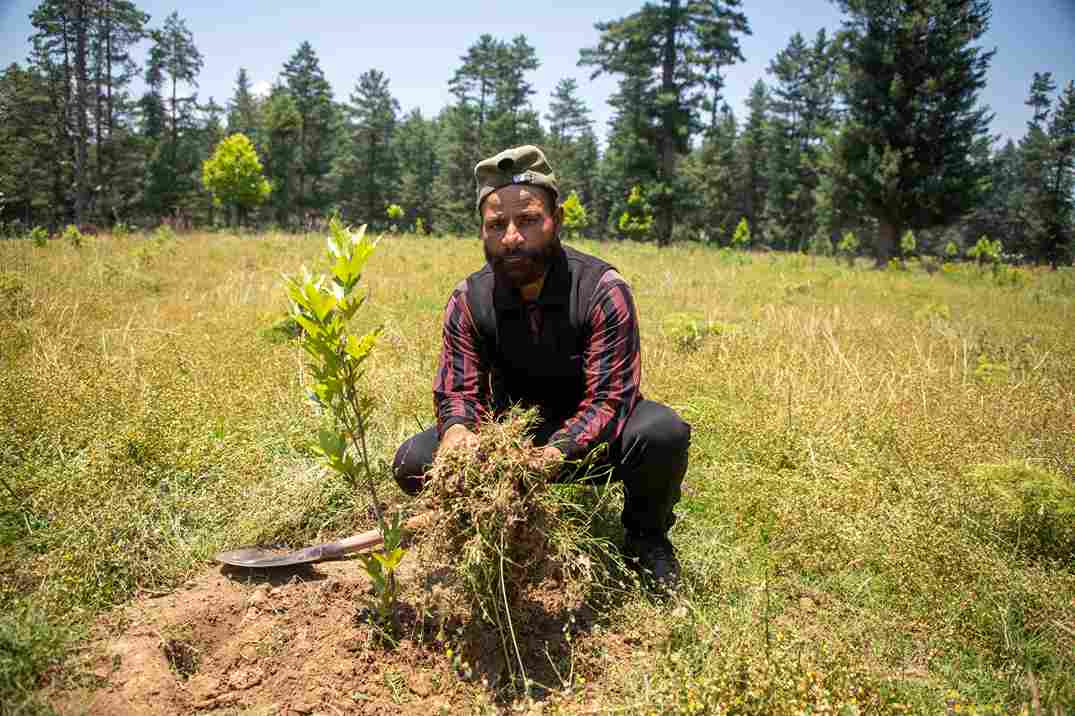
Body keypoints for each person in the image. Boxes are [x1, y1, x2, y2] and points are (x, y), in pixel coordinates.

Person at [392, 145, 691, 590]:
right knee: (415, 461)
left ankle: (646, 539)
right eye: (497, 225)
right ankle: (487, 527)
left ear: (558, 219)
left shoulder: (601, 290)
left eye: (528, 220)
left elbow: (611, 400)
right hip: (510, 435)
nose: (511, 237)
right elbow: (459, 394)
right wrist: (460, 437)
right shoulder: (469, 299)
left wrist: (546, 459)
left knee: (661, 433)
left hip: (593, 443)